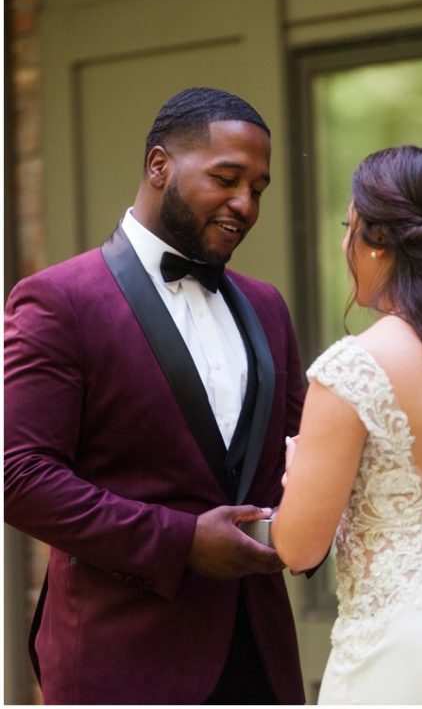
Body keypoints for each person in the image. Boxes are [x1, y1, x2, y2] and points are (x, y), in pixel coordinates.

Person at [4, 87, 308, 704]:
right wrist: (180, 542)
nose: (245, 204)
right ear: (159, 166)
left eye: (259, 188)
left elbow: (295, 457)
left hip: (262, 656)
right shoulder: (59, 300)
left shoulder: (268, 306)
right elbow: (18, 476)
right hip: (121, 661)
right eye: (227, 178)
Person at [271, 145, 422, 704]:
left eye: (347, 226)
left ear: (377, 242)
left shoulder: (354, 367)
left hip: (400, 660)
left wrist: (293, 478)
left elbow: (299, 549)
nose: (342, 243)